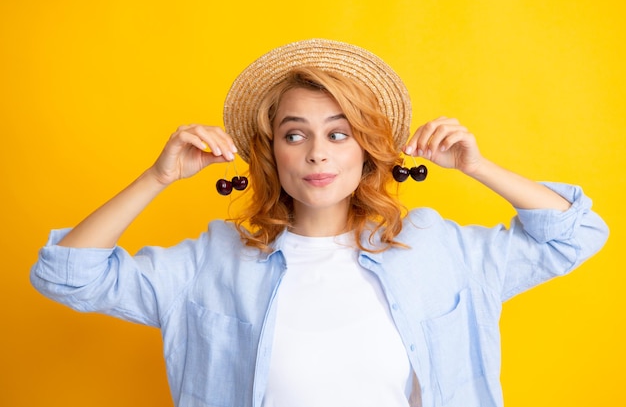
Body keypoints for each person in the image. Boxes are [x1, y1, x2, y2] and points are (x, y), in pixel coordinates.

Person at [31, 39, 609, 407]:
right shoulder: (212, 261)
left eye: (339, 133)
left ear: (367, 150)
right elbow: (66, 274)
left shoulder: (438, 249)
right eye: (294, 134)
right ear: (272, 153)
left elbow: (577, 234)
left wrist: (479, 166)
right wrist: (155, 178)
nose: (317, 154)